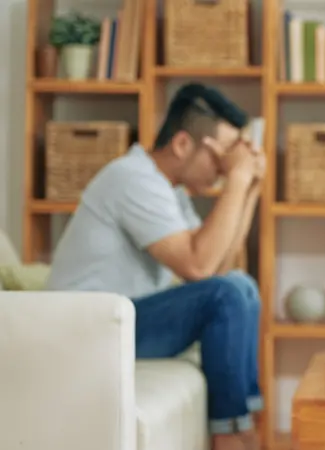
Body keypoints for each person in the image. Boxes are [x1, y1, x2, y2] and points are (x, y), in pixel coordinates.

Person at [46, 83, 265, 450]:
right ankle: (229, 434)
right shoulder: (132, 178)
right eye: (220, 159)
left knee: (239, 284)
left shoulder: (169, 190)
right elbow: (198, 266)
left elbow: (217, 267)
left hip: (121, 318)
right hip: (87, 329)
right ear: (182, 144)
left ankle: (241, 423)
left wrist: (249, 188)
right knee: (227, 294)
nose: (224, 171)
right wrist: (239, 179)